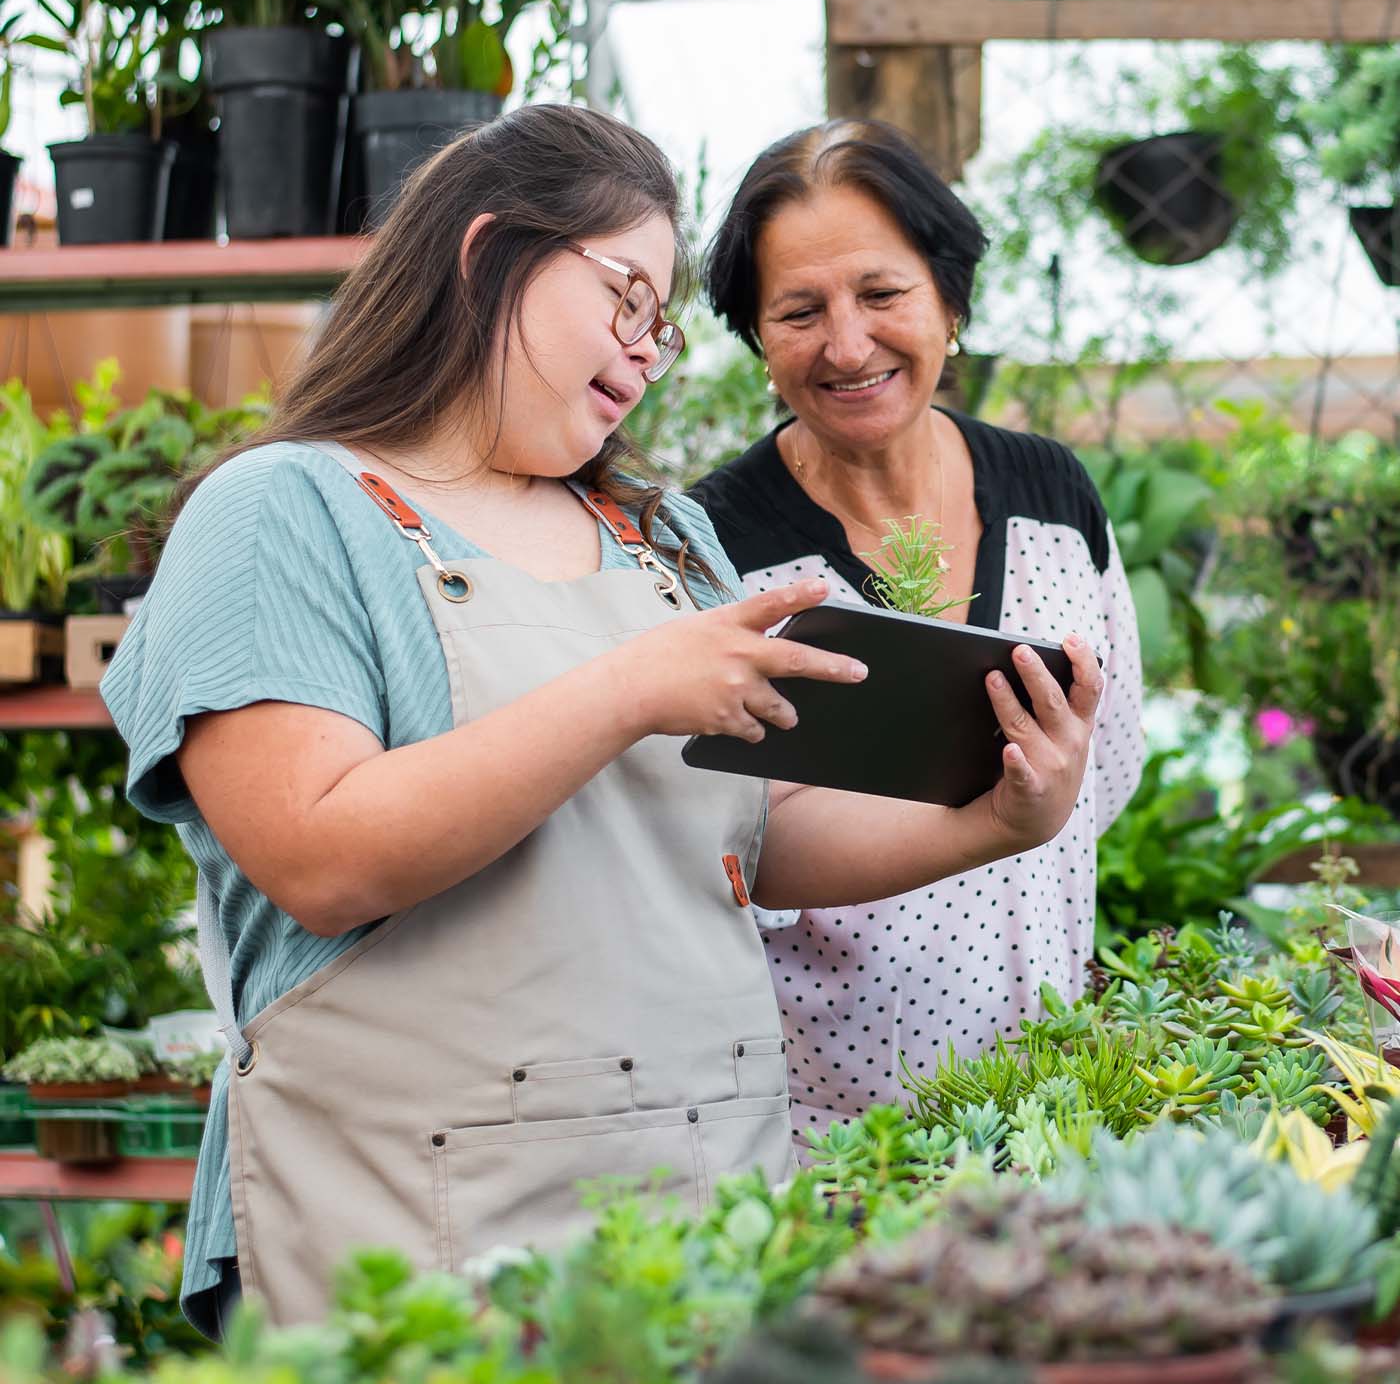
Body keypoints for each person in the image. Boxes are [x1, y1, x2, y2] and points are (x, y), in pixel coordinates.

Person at [99, 105, 1102, 1335]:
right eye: (624, 295)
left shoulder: (661, 537)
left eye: (661, 324)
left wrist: (997, 818)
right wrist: (630, 687)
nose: (643, 351)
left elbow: (752, 836)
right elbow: (321, 852)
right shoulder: (285, 511)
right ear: (486, 256)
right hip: (418, 1240)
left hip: (706, 1223)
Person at [691, 118, 1144, 1137]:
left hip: (1057, 1101)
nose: (846, 346)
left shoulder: (1051, 495)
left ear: (948, 297)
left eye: (882, 294)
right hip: (829, 1132)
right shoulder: (715, 550)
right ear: (756, 335)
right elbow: (722, 850)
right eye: (798, 310)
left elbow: (1102, 768)